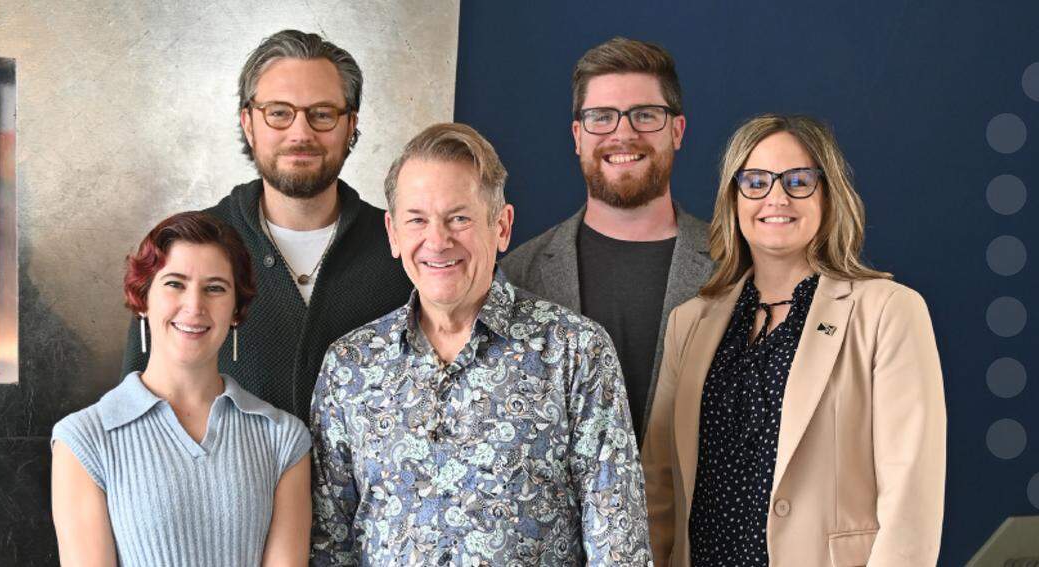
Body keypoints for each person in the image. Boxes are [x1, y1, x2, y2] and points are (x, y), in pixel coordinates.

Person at [310, 123, 652, 566]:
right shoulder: (349, 366)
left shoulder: (575, 352)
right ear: (393, 233)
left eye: (459, 218)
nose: (437, 240)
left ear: (502, 226)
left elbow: (619, 546)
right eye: (417, 220)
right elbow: (328, 545)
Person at [643, 114, 946, 566]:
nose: (776, 197)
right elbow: (658, 490)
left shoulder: (888, 312)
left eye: (799, 180)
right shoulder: (689, 323)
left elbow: (911, 500)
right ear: (734, 197)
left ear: (828, 194)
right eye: (756, 181)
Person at [121, 30, 412, 422]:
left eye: (322, 114)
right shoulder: (186, 251)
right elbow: (136, 412)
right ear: (248, 122)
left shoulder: (405, 250)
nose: (300, 133)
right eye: (278, 112)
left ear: (350, 125)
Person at [52, 212, 311, 566]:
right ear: (143, 298)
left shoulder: (283, 439)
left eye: (215, 288)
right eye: (175, 283)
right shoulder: (84, 440)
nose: (194, 306)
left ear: (236, 310)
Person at [501, 37, 713, 447]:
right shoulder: (516, 276)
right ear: (578, 135)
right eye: (603, 117)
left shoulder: (737, 267)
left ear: (677, 130)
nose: (624, 133)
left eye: (645, 115)